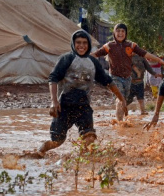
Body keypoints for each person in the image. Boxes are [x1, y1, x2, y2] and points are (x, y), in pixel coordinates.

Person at [34, 30, 126, 158]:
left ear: (88, 44)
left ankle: (83, 162)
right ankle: (40, 152)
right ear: (73, 44)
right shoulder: (66, 59)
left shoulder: (93, 62)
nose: (81, 46)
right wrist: (54, 101)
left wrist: (121, 99)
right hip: (64, 106)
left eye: (84, 43)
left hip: (83, 106)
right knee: (57, 141)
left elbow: (108, 82)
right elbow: (53, 79)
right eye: (78, 43)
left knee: (89, 137)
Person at [91, 23, 164, 121]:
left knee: (125, 100)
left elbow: (145, 54)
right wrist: (83, 56)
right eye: (118, 31)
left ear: (126, 33)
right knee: (120, 99)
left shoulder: (131, 45)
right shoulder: (109, 46)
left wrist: (159, 60)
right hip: (115, 78)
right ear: (114, 33)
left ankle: (122, 119)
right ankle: (120, 124)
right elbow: (95, 54)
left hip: (128, 79)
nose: (120, 33)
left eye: (123, 31)